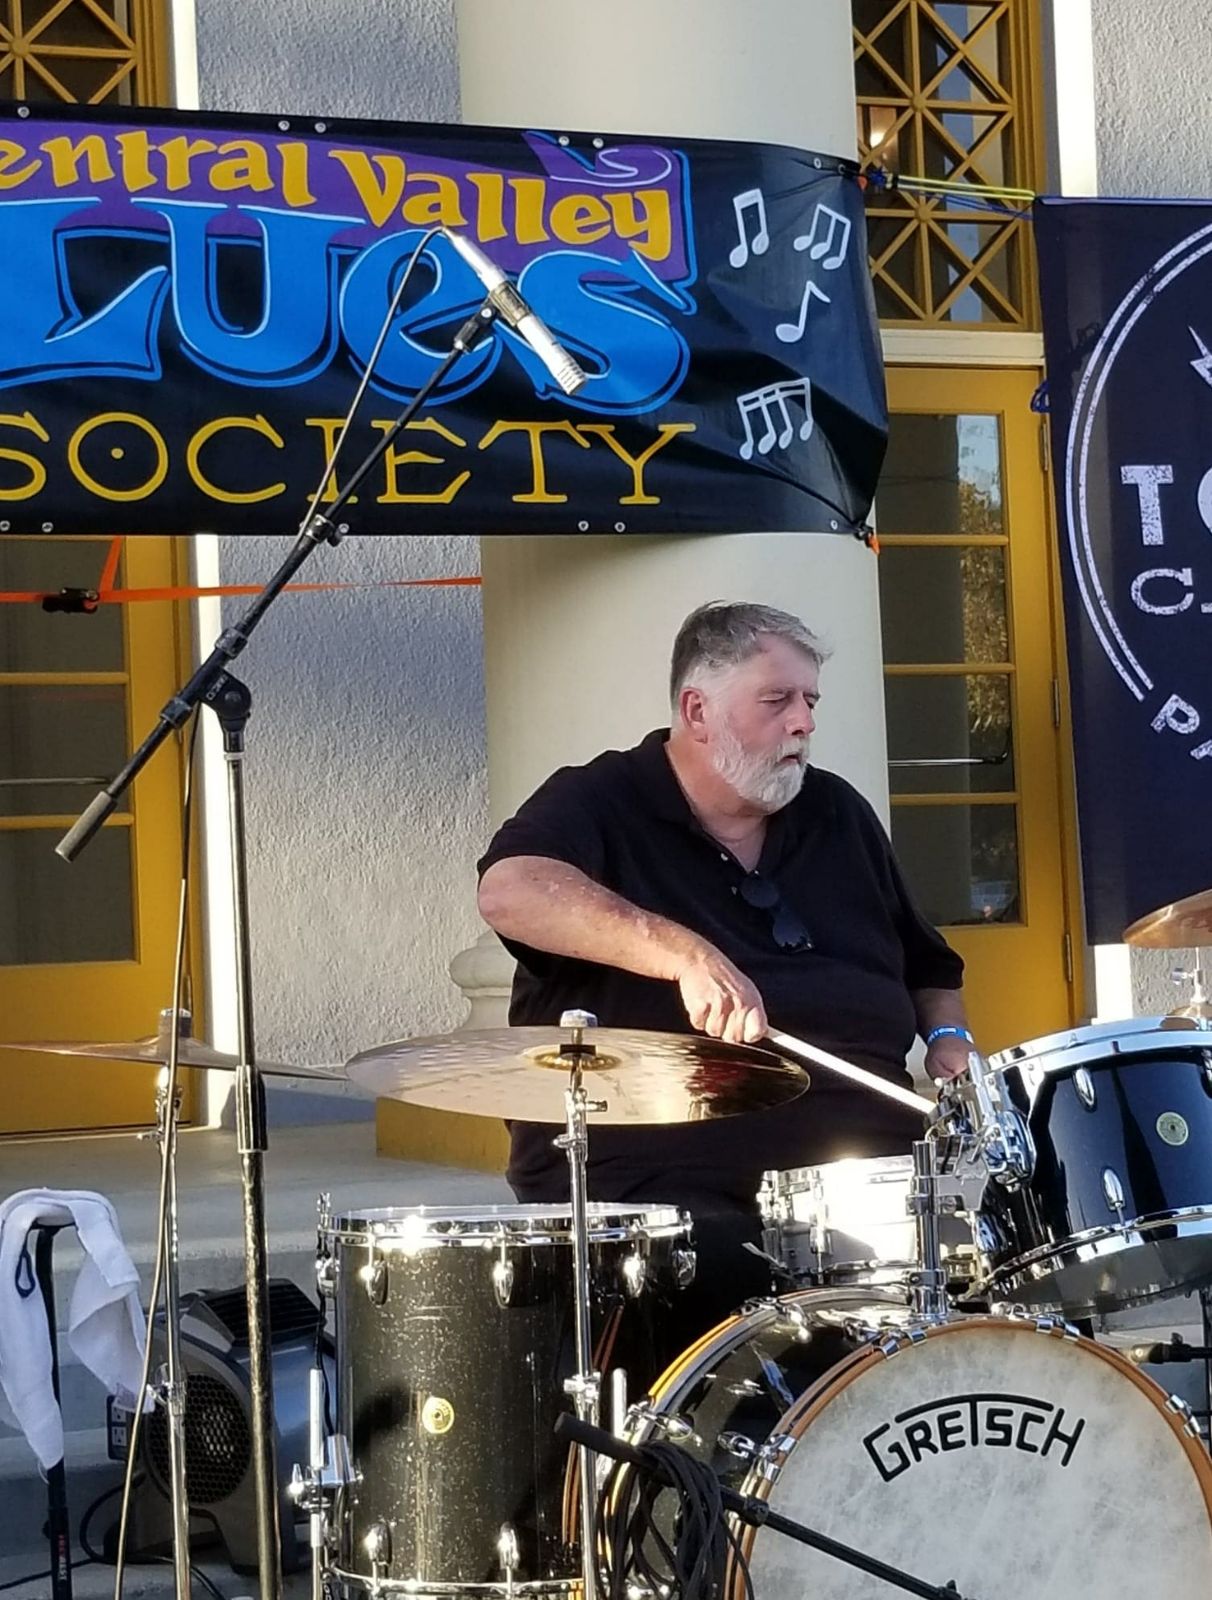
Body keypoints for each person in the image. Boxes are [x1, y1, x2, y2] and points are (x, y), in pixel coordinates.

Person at [476, 600, 972, 1367]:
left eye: (810, 701)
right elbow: (511, 890)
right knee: (722, 1274)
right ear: (697, 710)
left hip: (868, 1176)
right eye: (777, 700)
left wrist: (949, 1040)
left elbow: (929, 968)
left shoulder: (838, 813)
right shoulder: (601, 799)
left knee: (993, 1250)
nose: (803, 722)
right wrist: (677, 951)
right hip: (666, 1180)